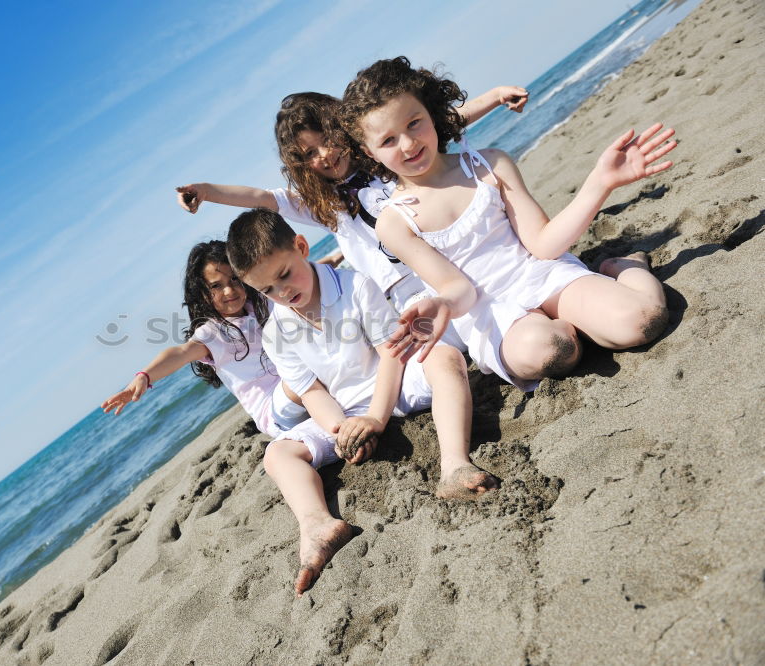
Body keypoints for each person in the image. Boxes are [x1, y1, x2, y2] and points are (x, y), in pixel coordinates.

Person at [339, 56, 674, 390]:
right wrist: (442, 303)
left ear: (431, 112)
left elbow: (543, 244)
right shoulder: (394, 223)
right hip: (490, 311)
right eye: (388, 140)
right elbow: (460, 290)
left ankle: (624, 267)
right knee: (553, 351)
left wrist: (600, 183)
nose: (409, 144)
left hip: (542, 274)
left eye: (414, 123)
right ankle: (571, 324)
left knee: (644, 321)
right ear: (369, 153)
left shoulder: (489, 164)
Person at [226, 209, 498, 597]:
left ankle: (454, 464)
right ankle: (317, 524)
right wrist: (342, 432)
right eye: (267, 290)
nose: (282, 293)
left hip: (393, 383)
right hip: (343, 409)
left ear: (301, 247)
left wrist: (376, 417)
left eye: (284, 275)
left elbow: (391, 352)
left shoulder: (354, 286)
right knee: (277, 454)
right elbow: (312, 392)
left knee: (445, 358)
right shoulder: (276, 332)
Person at [176, 85, 528, 318]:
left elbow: (439, 125)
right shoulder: (321, 203)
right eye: (310, 153)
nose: (325, 154)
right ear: (300, 164)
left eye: (328, 139)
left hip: (451, 266)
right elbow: (263, 197)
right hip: (403, 294)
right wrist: (207, 191)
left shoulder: (386, 162)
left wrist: (496, 97)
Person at [101, 240, 307, 437]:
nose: (229, 290)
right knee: (306, 369)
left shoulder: (261, 303)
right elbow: (180, 353)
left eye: (234, 278)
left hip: (301, 388)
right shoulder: (212, 333)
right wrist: (144, 376)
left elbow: (298, 290)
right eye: (216, 286)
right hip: (275, 410)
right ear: (203, 294)